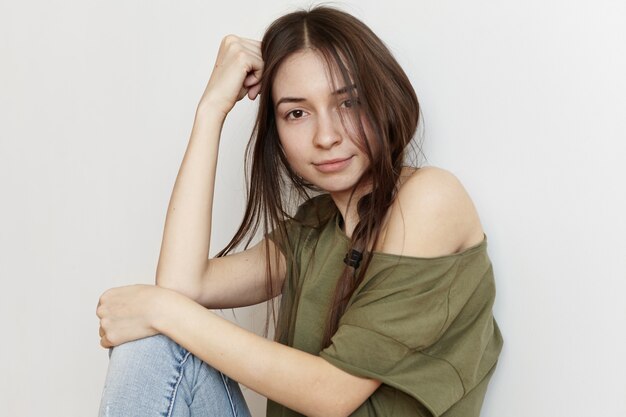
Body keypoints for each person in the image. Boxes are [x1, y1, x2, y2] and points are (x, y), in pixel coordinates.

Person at [96, 6, 503, 417]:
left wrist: (163, 311)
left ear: (384, 98)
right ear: (278, 133)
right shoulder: (314, 228)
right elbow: (181, 286)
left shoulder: (430, 198)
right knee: (153, 341)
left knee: (161, 323)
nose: (326, 136)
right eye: (297, 113)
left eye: (348, 103)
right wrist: (211, 111)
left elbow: (332, 394)